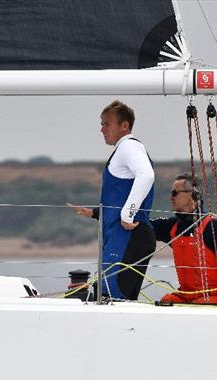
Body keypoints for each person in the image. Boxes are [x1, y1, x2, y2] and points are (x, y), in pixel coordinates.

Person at [69, 100, 156, 301]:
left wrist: (127, 213)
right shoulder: (125, 149)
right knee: (116, 300)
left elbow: (146, 175)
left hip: (126, 237)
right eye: (101, 124)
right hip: (127, 237)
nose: (101, 129)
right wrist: (95, 213)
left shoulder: (128, 147)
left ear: (124, 126)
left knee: (109, 297)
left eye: (107, 124)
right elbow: (122, 193)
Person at [151, 174, 217, 304]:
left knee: (199, 304)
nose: (171, 197)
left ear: (193, 195)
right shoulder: (172, 227)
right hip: (188, 295)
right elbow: (145, 227)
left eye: (174, 193)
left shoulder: (213, 227)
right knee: (166, 301)